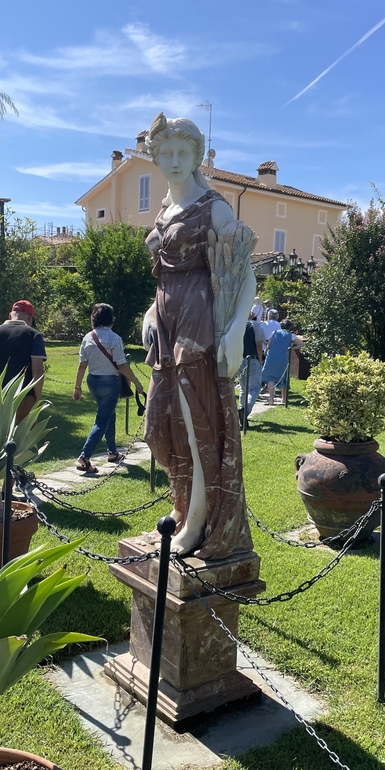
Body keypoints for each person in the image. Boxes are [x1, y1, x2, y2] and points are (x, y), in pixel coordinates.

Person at [141, 112, 256, 557]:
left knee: (197, 428)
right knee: (164, 424)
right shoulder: (165, 211)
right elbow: (163, 279)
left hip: (199, 328)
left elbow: (245, 275)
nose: (173, 161)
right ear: (155, 156)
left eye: (181, 153)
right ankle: (184, 503)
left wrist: (233, 334)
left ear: (196, 156)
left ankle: (198, 523)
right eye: (165, 152)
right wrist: (151, 311)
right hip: (168, 328)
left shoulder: (214, 207)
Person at [72, 303, 144, 474]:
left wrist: (77, 386)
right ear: (111, 319)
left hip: (92, 381)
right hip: (109, 383)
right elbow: (122, 365)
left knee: (108, 414)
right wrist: (136, 381)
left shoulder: (87, 338)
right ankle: (84, 457)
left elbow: (82, 365)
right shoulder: (114, 339)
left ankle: (112, 452)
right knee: (102, 420)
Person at [0, 300, 46, 423]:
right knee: (23, 439)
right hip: (25, 397)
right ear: (30, 318)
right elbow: (37, 371)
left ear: (10, 315)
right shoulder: (33, 335)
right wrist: (37, 398)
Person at [261, 319, 304, 406]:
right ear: (290, 327)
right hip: (283, 357)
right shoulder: (290, 335)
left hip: (271, 356)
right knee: (283, 377)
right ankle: (283, 399)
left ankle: (271, 400)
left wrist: (265, 352)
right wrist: (291, 349)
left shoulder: (274, 332)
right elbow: (301, 344)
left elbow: (269, 344)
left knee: (270, 378)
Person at [237, 311, 264, 424]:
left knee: (243, 388)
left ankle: (242, 413)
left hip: (239, 359)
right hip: (252, 359)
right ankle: (245, 410)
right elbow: (258, 345)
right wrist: (260, 359)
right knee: (254, 388)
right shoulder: (254, 325)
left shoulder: (236, 324)